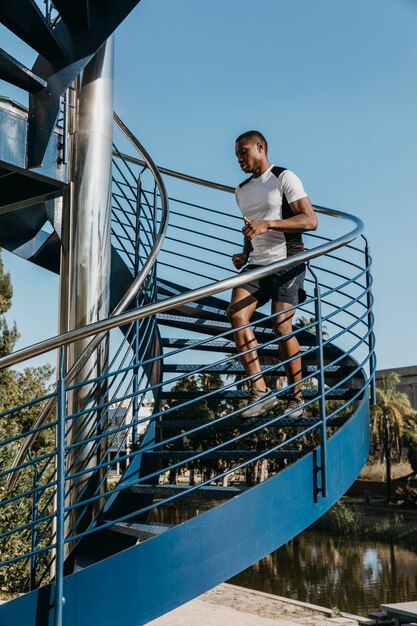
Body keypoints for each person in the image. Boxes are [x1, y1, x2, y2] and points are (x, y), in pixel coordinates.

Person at [226, 130, 318, 418]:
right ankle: (260, 391)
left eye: (244, 152)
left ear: (260, 147)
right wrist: (245, 251)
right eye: (237, 154)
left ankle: (297, 397)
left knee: (281, 326)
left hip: (287, 261)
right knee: (236, 314)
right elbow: (251, 227)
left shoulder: (284, 177)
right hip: (257, 262)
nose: (239, 158)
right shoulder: (241, 190)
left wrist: (269, 225)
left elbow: (310, 220)